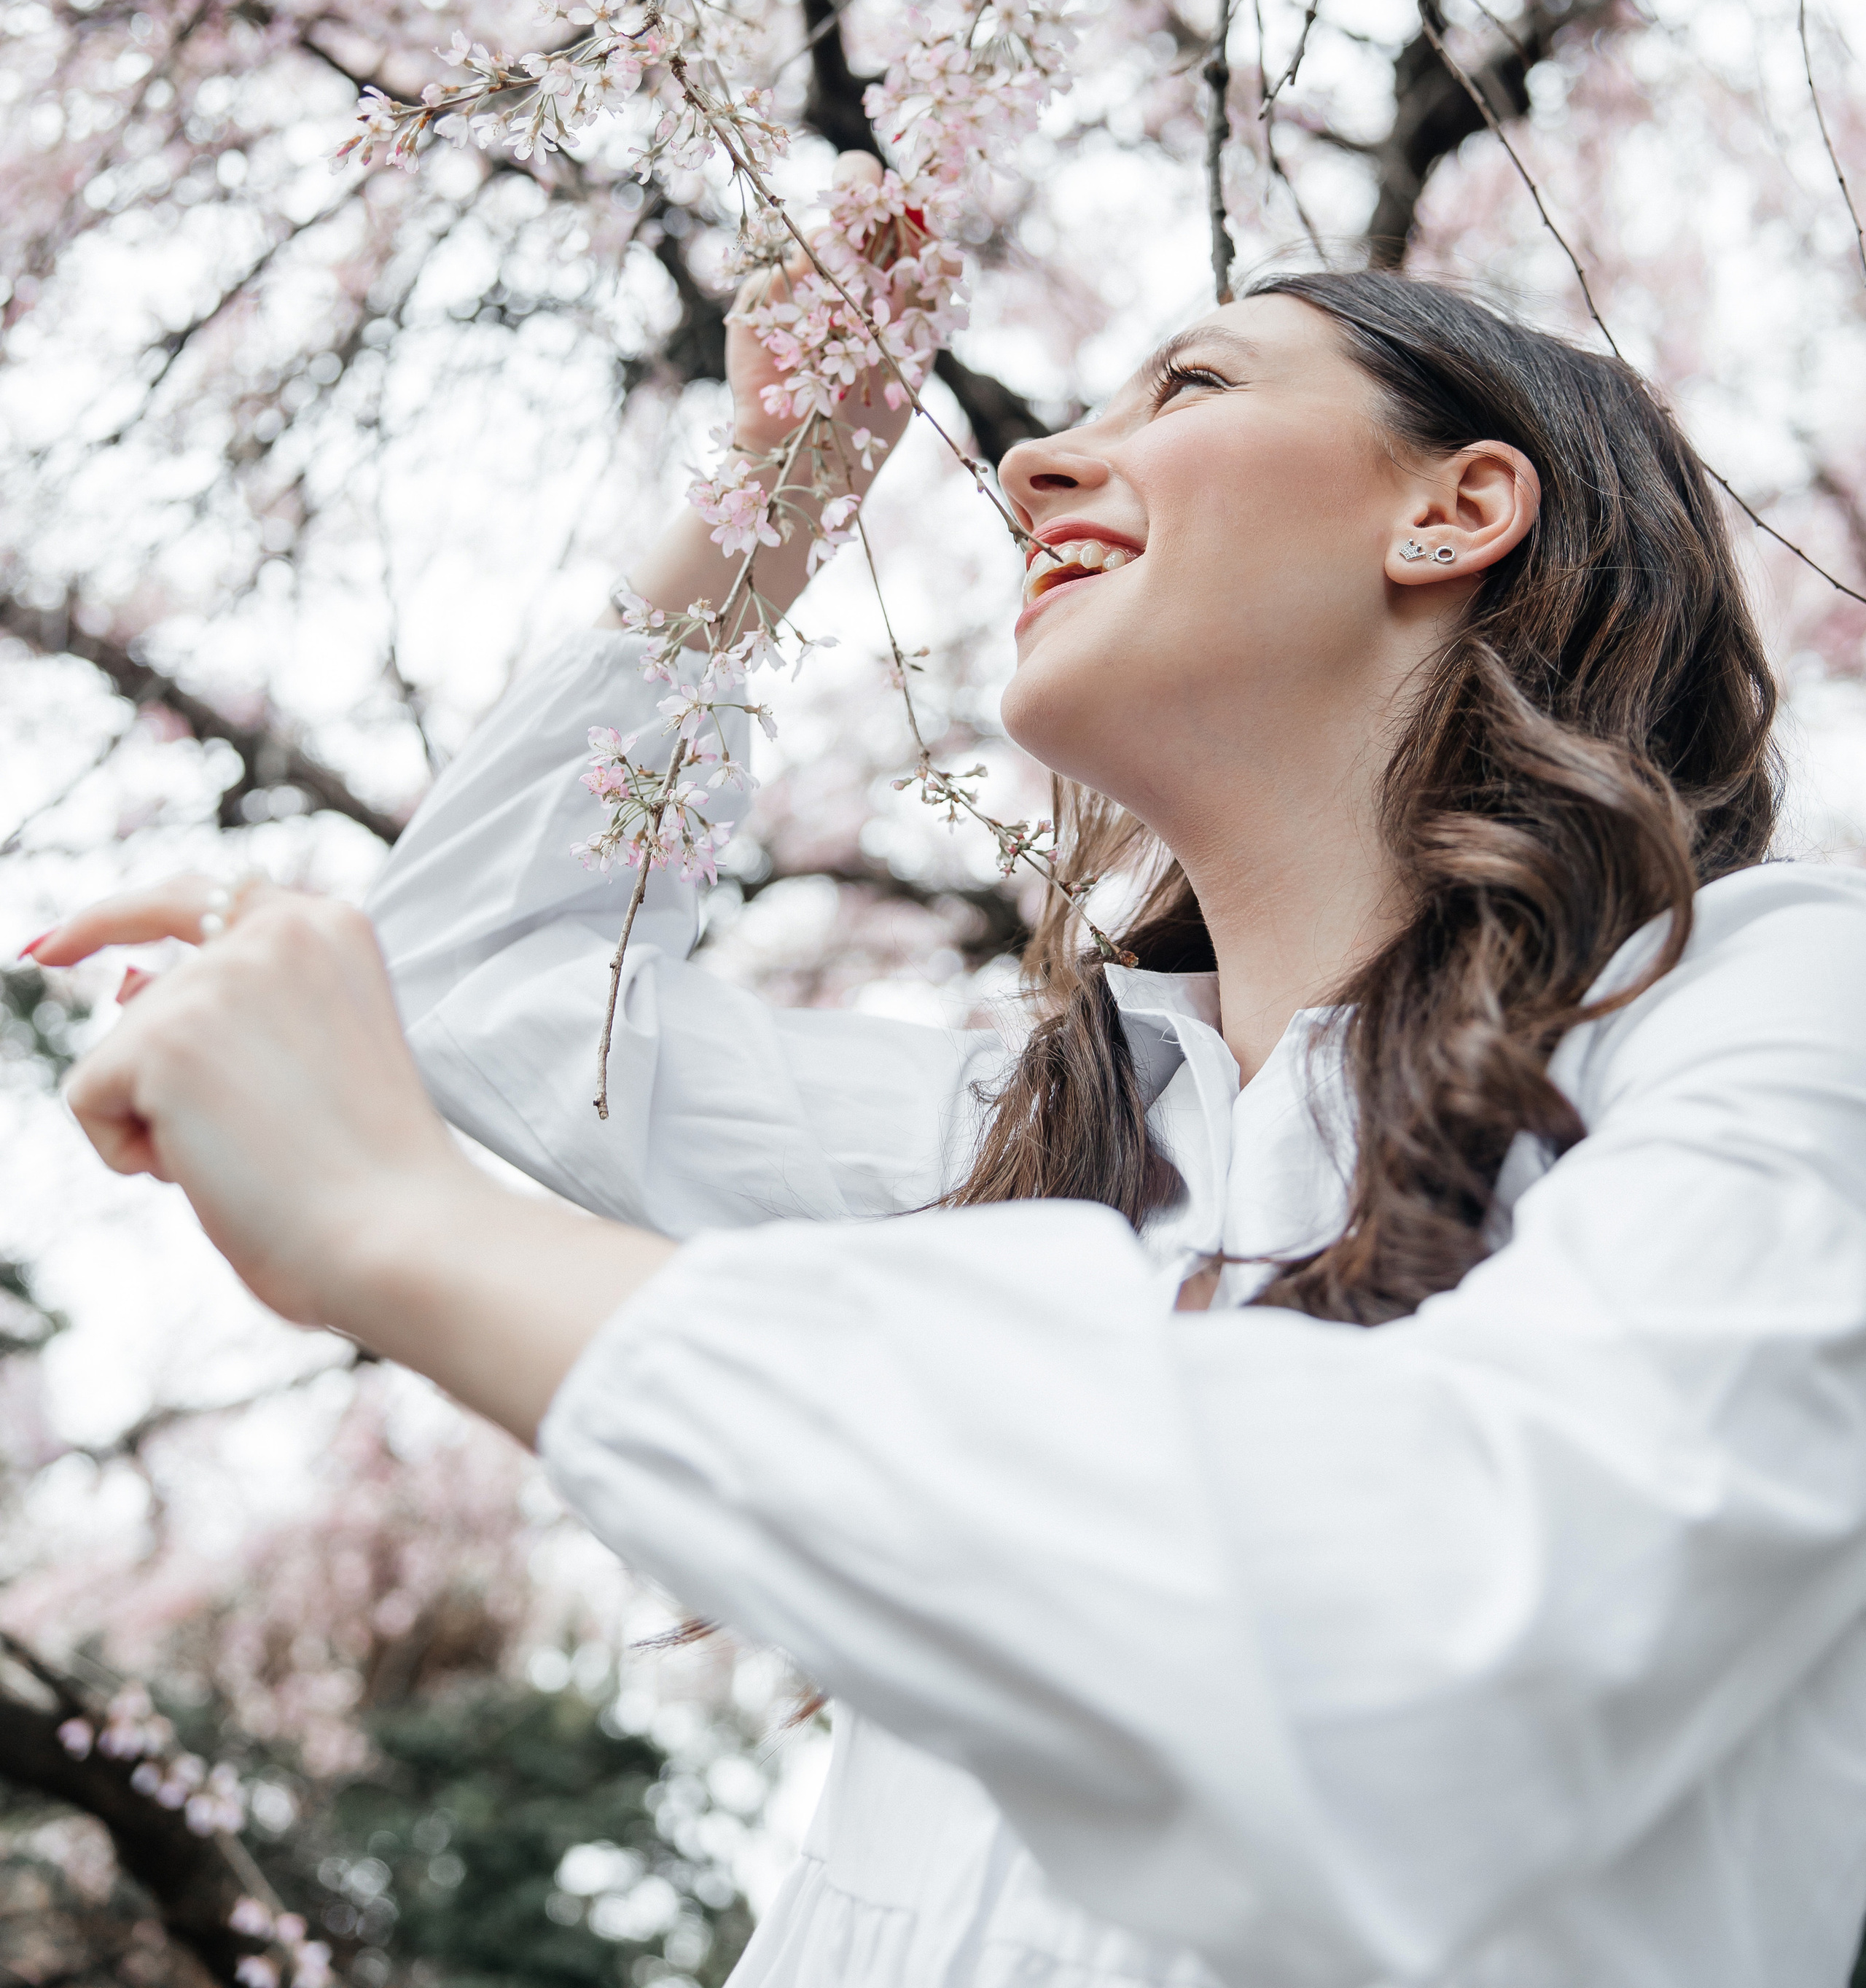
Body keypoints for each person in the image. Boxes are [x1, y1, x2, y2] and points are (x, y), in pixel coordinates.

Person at [31, 258, 1866, 1988]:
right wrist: (772, 491)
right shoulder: (1019, 1148)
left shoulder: (1768, 1013)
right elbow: (469, 983)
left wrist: (404, 1230)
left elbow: (1466, 1636)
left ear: (1453, 512)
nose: (1035, 461)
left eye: (1189, 385)